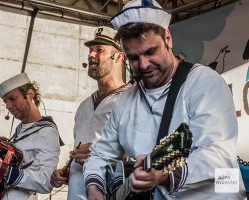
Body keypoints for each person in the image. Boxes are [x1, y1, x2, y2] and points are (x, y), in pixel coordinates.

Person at [83, 0, 246, 199]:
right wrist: (94, 187)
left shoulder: (205, 83)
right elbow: (99, 154)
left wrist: (166, 175)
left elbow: (217, 154)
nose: (143, 65)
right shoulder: (125, 101)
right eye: (133, 57)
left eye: (150, 52)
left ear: (168, 39)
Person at [50, 26, 129, 200]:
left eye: (99, 50)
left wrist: (99, 155)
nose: (91, 55)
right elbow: (80, 154)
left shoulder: (131, 100)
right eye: (91, 50)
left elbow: (141, 153)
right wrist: (66, 171)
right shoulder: (84, 106)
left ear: (119, 57)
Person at [0, 72, 62, 199]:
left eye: (12, 99)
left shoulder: (47, 132)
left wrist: (4, 171)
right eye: (5, 101)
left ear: (30, 95)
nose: (8, 106)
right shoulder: (20, 129)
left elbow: (45, 182)